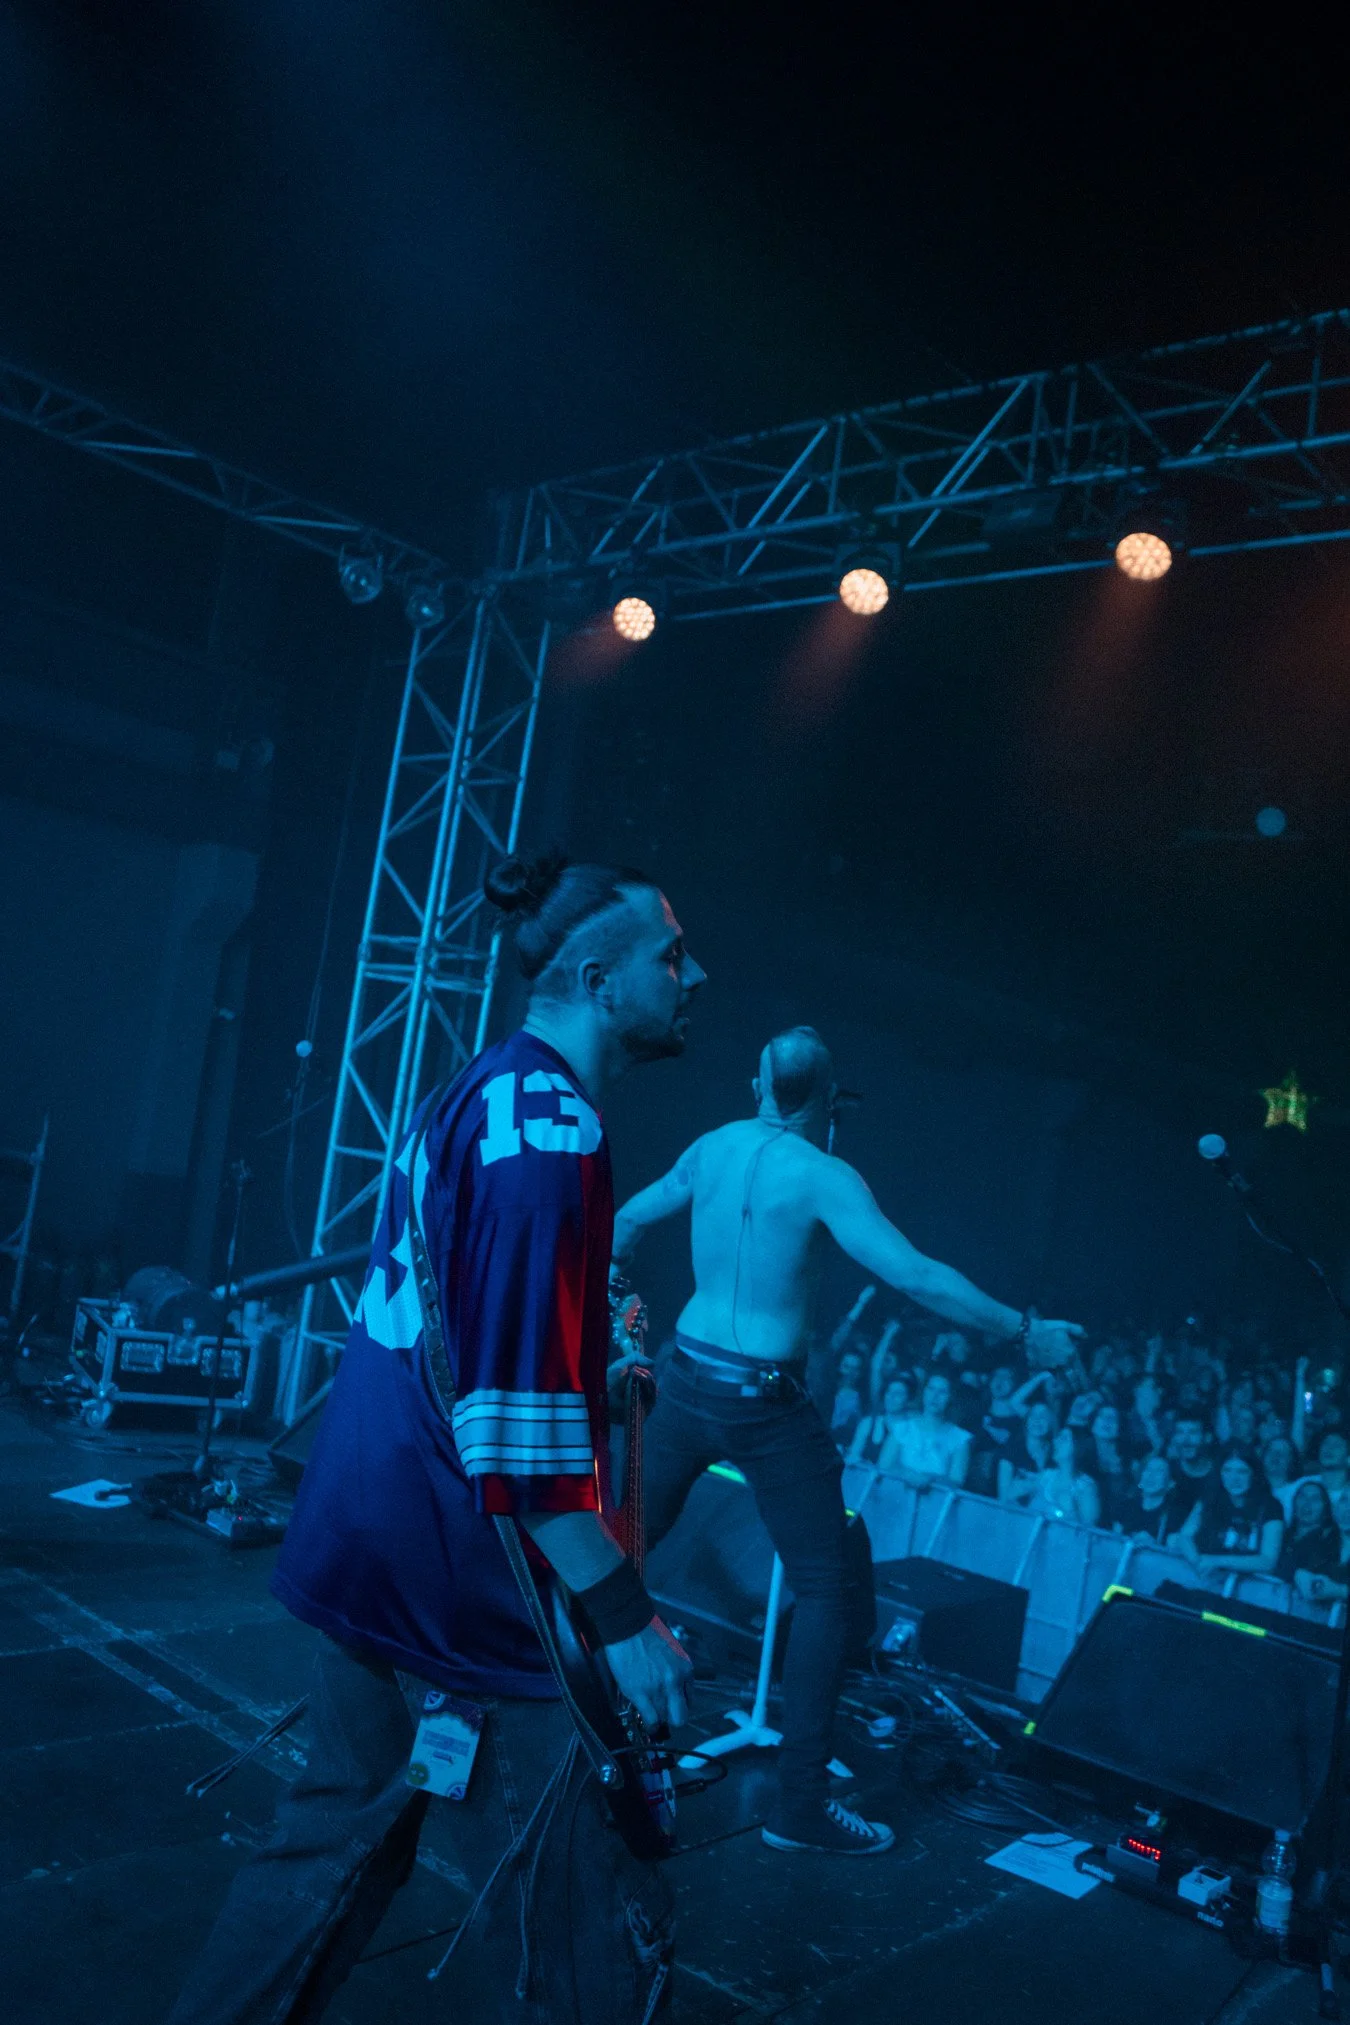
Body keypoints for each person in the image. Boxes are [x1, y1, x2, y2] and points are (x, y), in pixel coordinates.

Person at [165, 852, 705, 2025]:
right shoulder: (554, 1133)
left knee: (326, 1856)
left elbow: (463, 1322)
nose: (693, 975)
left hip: (376, 1542)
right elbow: (511, 1438)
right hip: (468, 1588)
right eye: (671, 956)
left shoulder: (479, 1090)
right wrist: (626, 1621)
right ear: (601, 980)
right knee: (583, 1922)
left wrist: (586, 1343)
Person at [610, 1024, 1082, 1858]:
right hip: (762, 1400)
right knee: (830, 1591)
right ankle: (800, 1807)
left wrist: (617, 1295)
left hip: (684, 1378)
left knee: (620, 1548)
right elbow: (917, 1275)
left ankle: (545, 1698)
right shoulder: (825, 1176)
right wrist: (1025, 1330)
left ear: (757, 1085)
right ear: (829, 1100)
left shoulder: (713, 1146)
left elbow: (628, 1219)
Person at [1174, 1447, 1283, 1580]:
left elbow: (1268, 1561)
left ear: (1254, 1474)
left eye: (1242, 1472)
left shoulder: (1271, 1506)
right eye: (1227, 1470)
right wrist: (1197, 1561)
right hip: (1204, 1578)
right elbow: (1184, 1536)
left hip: (1247, 1585)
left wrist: (1216, 1561)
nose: (1234, 1478)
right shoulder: (1209, 1498)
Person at [879, 1370, 972, 1486]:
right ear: (924, 1392)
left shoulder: (960, 1439)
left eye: (942, 1392)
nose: (935, 1396)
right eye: (931, 1389)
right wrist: (907, 1475)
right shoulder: (902, 1428)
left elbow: (956, 1482)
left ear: (951, 1397)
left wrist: (931, 1479)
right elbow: (883, 1468)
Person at [1277, 1479, 1345, 1592]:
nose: (1307, 1503)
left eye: (1315, 1499)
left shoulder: (1330, 1541)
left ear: (1325, 1507)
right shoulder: (1282, 1534)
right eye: (1302, 1497)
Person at [1028, 1425, 1101, 1527]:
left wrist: (1069, 1513)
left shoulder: (1086, 1487)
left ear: (1078, 1446)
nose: (1055, 1441)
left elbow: (1089, 1531)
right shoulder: (1045, 1477)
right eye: (1058, 1437)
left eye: (1064, 1438)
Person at [1115, 1452, 1188, 1546]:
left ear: (1171, 1483)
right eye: (1148, 1469)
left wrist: (1154, 1546)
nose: (1151, 1475)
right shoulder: (1125, 1506)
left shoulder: (1175, 1516)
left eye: (1159, 1471)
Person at [997, 1399, 1057, 1506]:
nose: (1037, 1420)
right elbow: (1004, 1496)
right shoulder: (1012, 1448)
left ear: (1051, 1423)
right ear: (1026, 1421)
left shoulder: (1056, 1454)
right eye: (1033, 1415)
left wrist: (1025, 1485)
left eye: (1044, 1416)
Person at [846, 1375, 912, 1467]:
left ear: (908, 1399)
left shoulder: (912, 1430)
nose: (891, 1396)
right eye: (889, 1391)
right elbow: (852, 1457)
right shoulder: (868, 1423)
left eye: (898, 1394)